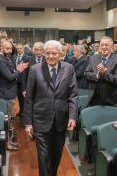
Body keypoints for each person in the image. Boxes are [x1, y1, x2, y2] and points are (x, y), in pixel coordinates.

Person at [24, 40, 78, 176]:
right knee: (44, 157)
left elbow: (73, 95)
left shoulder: (68, 68)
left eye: (54, 53)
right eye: (47, 53)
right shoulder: (35, 70)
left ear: (60, 54)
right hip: (40, 120)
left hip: (61, 120)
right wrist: (28, 123)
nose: (50, 56)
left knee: (56, 155)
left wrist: (72, 116)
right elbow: (29, 98)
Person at [84, 36, 117, 107]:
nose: (104, 47)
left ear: (111, 47)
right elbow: (86, 74)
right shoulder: (93, 58)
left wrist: (104, 74)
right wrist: (97, 75)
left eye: (106, 45)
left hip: (111, 100)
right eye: (102, 45)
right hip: (94, 99)